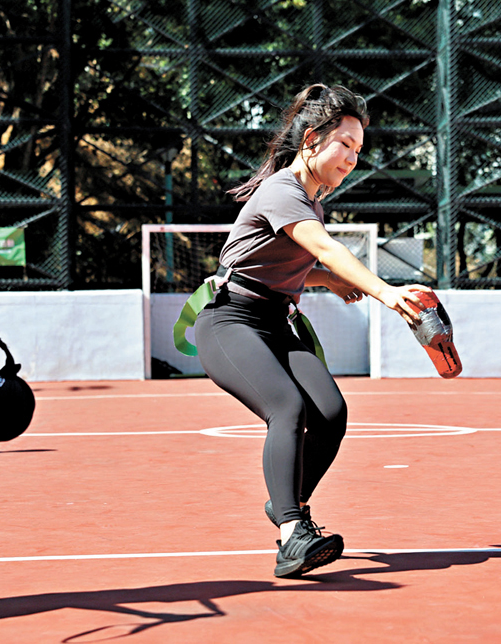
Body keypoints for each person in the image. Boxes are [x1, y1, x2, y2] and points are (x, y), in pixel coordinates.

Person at [194, 84, 430, 578]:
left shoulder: (311, 203)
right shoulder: (283, 190)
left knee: (331, 412)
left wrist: (334, 282)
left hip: (275, 323)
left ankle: (286, 503)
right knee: (287, 406)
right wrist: (385, 292)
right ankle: (291, 536)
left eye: (358, 150)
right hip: (229, 320)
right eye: (344, 144)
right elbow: (324, 249)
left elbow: (303, 265)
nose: (351, 158)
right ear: (310, 141)